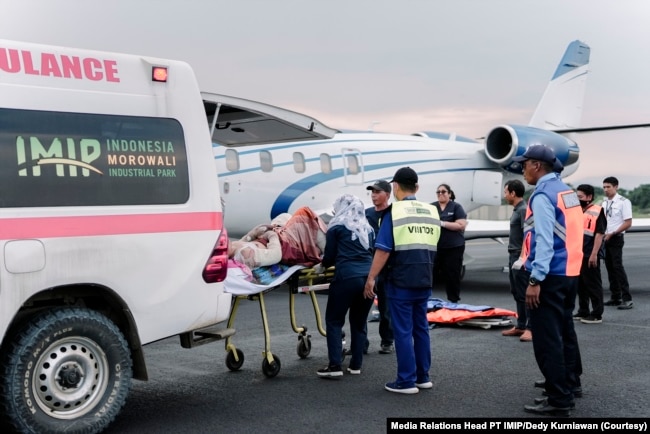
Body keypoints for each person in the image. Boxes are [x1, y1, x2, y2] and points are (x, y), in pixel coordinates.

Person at [513, 144, 583, 417]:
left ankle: (558, 399)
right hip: (570, 273)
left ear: (537, 166)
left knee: (547, 339)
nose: (522, 168)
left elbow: (544, 240)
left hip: (550, 275)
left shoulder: (542, 195)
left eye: (525, 163)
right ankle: (570, 383)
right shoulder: (567, 192)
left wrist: (535, 279)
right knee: (565, 332)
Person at [363, 167, 440, 394]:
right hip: (425, 277)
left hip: (400, 279)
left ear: (395, 187)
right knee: (421, 329)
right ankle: (422, 377)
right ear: (416, 187)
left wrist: (371, 278)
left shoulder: (394, 212)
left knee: (403, 331)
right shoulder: (431, 211)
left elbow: (383, 249)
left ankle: (406, 381)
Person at [317, 194, 375, 377]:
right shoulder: (369, 229)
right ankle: (356, 365)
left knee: (334, 321)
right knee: (359, 323)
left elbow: (330, 255)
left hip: (346, 277)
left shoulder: (336, 226)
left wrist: (321, 265)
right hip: (368, 278)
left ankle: (335, 366)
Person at [365, 180, 394, 354]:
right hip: (368, 267)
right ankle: (362, 343)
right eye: (372, 192)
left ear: (388, 194)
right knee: (362, 308)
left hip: (387, 268)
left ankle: (387, 341)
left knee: (386, 309)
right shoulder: (366, 214)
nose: (374, 195)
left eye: (377, 192)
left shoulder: (393, 214)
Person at [501, 179, 532, 342]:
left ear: (513, 193)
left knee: (526, 294)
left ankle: (530, 328)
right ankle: (521, 325)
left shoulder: (523, 210)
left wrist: (521, 258)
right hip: (513, 255)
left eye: (506, 192)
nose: (504, 195)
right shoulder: (517, 209)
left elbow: (528, 236)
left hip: (520, 257)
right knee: (517, 293)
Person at [574, 184, 606, 324]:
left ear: (589, 197)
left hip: (590, 254)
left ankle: (597, 313)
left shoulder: (598, 211)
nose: (578, 199)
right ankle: (583, 310)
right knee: (581, 285)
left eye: (580, 197)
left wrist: (594, 254)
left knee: (593, 284)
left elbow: (599, 234)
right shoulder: (578, 211)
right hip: (578, 254)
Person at [431, 183, 467, 303]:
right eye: (438, 192)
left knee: (452, 275)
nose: (440, 194)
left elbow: (461, 225)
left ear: (449, 194)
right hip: (435, 247)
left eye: (443, 192)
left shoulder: (456, 207)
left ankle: (453, 301)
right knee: (430, 273)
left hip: (453, 247)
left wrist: (442, 223)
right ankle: (427, 301)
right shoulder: (432, 207)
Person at [601, 176, 634, 310]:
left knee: (617, 267)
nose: (606, 190)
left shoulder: (623, 202)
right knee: (609, 267)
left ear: (616, 187)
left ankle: (627, 298)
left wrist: (613, 233)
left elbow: (628, 222)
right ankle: (615, 297)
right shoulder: (604, 203)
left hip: (615, 237)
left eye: (608, 187)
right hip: (605, 237)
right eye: (604, 187)